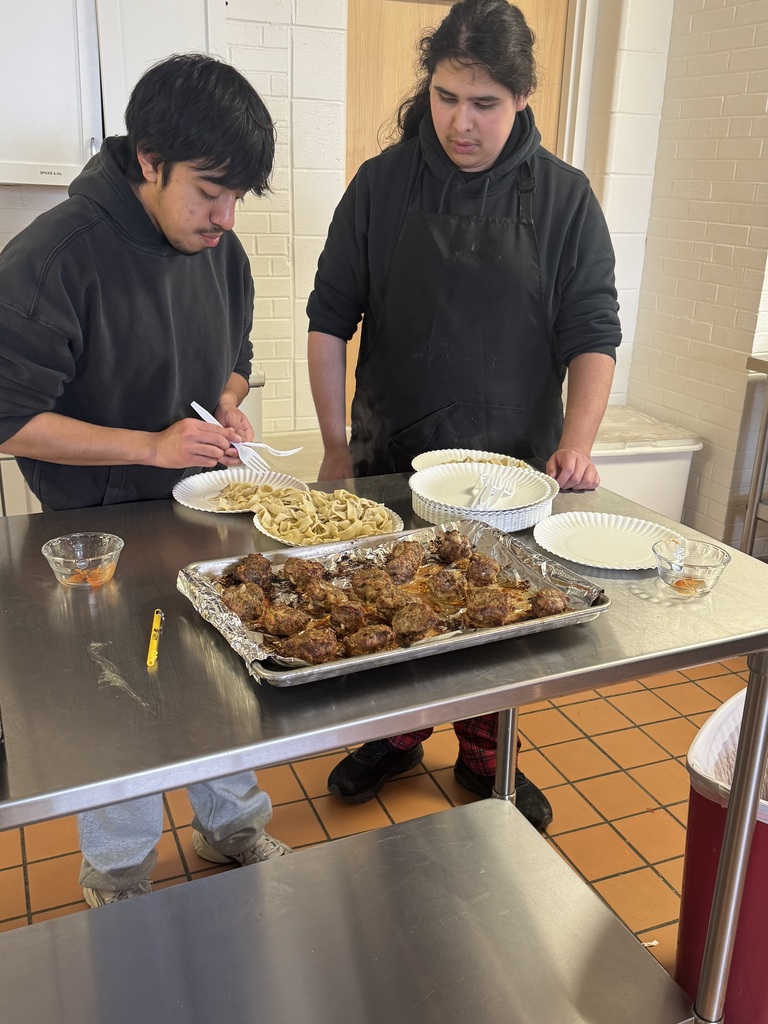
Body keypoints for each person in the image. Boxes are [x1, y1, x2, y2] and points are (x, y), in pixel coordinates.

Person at [306, 0, 621, 831]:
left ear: (520, 99)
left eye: (483, 103)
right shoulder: (381, 184)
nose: (460, 122)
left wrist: (578, 446)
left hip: (513, 464)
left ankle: (489, 749)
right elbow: (328, 317)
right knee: (391, 604)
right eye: (447, 97)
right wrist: (337, 445)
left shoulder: (564, 199)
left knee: (501, 619)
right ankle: (398, 737)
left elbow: (593, 332)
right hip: (392, 454)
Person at [0, 54, 292, 905]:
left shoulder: (218, 250)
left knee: (224, 680)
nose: (224, 217)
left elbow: (233, 363)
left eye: (239, 197)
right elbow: (10, 419)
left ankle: (233, 828)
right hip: (89, 538)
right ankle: (120, 876)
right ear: (148, 161)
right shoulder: (56, 256)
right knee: (118, 701)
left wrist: (228, 412)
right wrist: (151, 447)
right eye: (209, 191)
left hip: (205, 523)